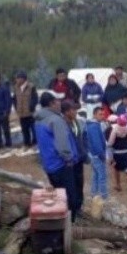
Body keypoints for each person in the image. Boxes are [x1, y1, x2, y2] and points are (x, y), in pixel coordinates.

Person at [34, 91, 80, 222]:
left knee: (58, 194)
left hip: (49, 165)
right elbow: (62, 143)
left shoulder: (38, 120)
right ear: (51, 103)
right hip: (61, 164)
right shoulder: (56, 120)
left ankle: (60, 219)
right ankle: (70, 223)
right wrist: (69, 158)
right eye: (58, 101)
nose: (60, 103)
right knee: (69, 196)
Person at [62, 100, 87, 217]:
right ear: (66, 112)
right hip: (70, 161)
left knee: (79, 183)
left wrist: (84, 154)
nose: (76, 112)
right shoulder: (62, 125)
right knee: (70, 186)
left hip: (79, 159)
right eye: (73, 110)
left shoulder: (76, 122)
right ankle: (72, 211)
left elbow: (80, 139)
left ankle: (78, 207)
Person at [85, 107, 109, 201]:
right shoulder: (94, 127)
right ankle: (104, 197)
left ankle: (94, 193)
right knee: (102, 177)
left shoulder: (92, 125)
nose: (102, 116)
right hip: (97, 155)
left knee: (95, 175)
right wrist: (102, 156)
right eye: (100, 114)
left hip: (93, 155)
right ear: (94, 115)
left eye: (103, 114)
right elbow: (97, 144)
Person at [13, 71, 38, 151]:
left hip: (30, 112)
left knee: (34, 129)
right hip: (21, 112)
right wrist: (16, 107)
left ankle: (35, 143)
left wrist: (32, 106)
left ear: (23, 79)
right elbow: (15, 98)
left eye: (18, 78)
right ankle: (27, 143)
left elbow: (35, 98)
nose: (17, 80)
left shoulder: (31, 87)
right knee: (24, 129)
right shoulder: (16, 87)